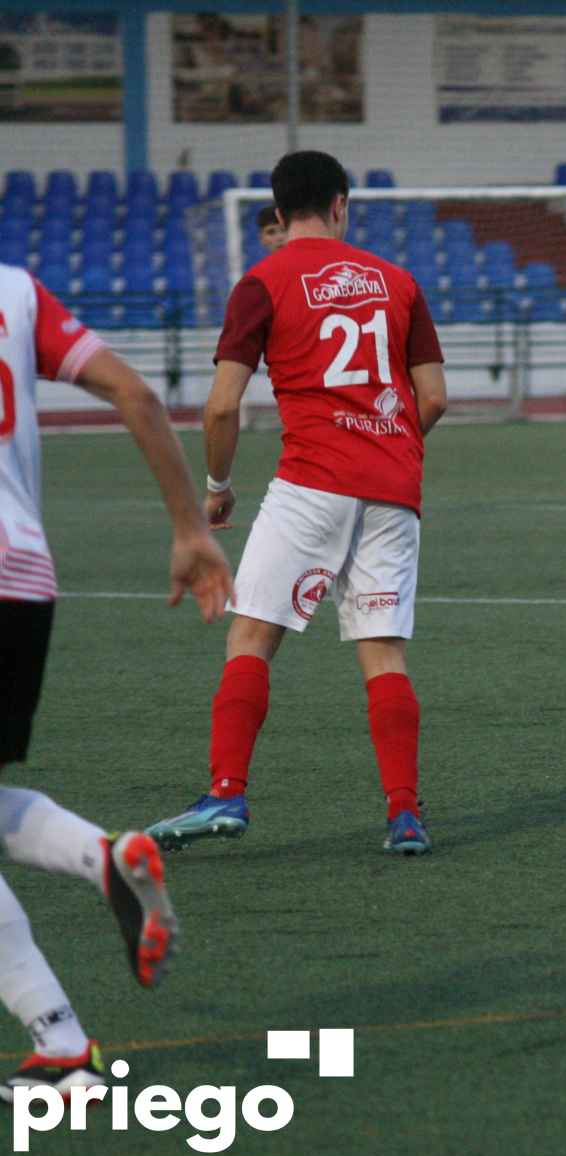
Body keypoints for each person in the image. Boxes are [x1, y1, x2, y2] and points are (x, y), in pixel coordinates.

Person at [143, 149, 449, 857]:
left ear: (277, 215)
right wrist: (387, 441)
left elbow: (221, 408)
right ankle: (404, 814)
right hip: (394, 488)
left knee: (252, 637)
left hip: (311, 481)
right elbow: (432, 397)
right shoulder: (399, 282)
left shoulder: (263, 280)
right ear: (342, 204)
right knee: (383, 653)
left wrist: (218, 490)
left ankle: (226, 793)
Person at [0, 264, 233, 1099]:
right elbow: (135, 394)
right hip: (21, 581)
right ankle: (105, 861)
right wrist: (187, 530)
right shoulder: (18, 294)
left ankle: (61, 1046)